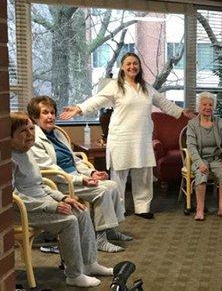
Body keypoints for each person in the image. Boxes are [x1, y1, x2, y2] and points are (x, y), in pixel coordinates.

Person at [60, 52, 196, 219]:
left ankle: (142, 207)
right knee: (119, 175)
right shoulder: (115, 86)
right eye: (128, 64)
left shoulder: (146, 87)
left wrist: (182, 111)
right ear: (122, 67)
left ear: (139, 67)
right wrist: (79, 108)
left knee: (144, 174)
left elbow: (163, 103)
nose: (132, 67)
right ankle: (119, 208)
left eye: (135, 64)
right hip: (121, 137)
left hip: (142, 138)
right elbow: (97, 100)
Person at [11, 112, 113, 288]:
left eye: (30, 129)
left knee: (80, 210)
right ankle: (73, 274)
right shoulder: (8, 159)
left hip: (39, 204)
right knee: (68, 221)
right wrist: (52, 206)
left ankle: (89, 263)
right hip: (20, 210)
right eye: (23, 131)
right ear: (8, 136)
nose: (30, 134)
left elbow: (40, 185)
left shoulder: (27, 154)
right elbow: (13, 197)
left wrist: (64, 198)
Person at [27, 96, 130, 253]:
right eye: (45, 113)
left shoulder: (57, 133)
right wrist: (82, 180)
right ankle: (100, 240)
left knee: (112, 185)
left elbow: (74, 159)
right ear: (35, 117)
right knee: (102, 191)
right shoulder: (34, 139)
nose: (50, 116)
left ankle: (109, 230)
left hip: (75, 176)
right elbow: (51, 171)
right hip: (60, 182)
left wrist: (92, 172)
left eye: (52, 112)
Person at [186, 92, 222, 221]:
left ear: (214, 107)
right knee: (201, 176)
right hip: (200, 159)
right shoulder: (192, 124)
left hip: (216, 159)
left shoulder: (220, 122)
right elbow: (191, 146)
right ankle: (200, 209)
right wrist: (199, 163)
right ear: (199, 107)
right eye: (204, 104)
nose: (208, 107)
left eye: (210, 105)